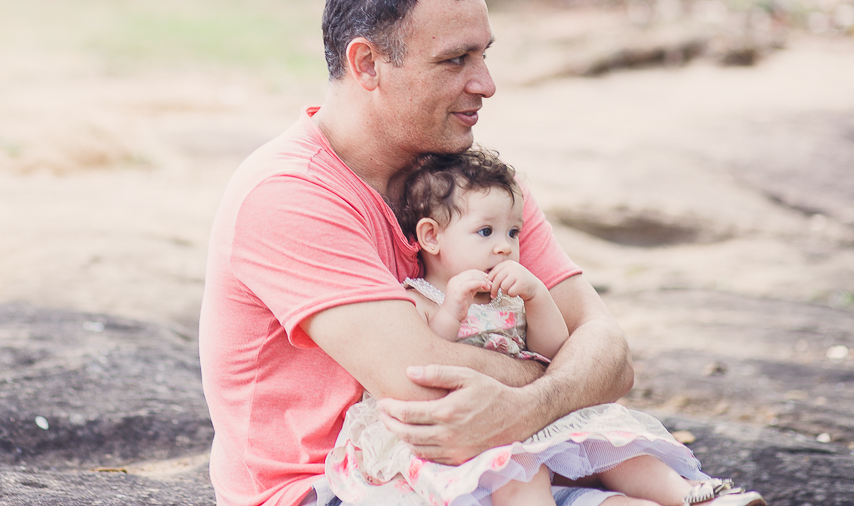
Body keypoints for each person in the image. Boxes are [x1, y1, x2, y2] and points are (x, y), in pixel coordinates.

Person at [199, 0, 631, 506]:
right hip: (333, 489)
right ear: (367, 63)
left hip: (494, 468)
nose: (486, 84)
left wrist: (529, 406)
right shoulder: (287, 193)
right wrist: (564, 376)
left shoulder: (477, 188)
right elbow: (421, 386)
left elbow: (611, 352)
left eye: (483, 55)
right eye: (455, 59)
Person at [324, 150, 765, 506]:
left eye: (513, 233)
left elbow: (555, 350)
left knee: (613, 441)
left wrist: (537, 298)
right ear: (431, 237)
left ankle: (689, 495)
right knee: (520, 471)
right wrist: (453, 307)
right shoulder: (421, 297)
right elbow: (427, 355)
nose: (505, 246)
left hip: (528, 416)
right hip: (466, 430)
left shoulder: (509, 295)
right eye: (485, 232)